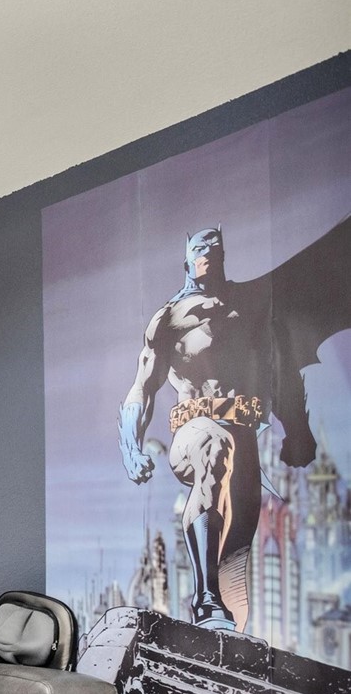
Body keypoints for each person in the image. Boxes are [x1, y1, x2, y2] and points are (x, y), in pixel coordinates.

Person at [119, 227, 318, 630]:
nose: (207, 251)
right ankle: (204, 599)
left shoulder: (249, 307)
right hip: (193, 433)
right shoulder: (170, 319)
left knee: (238, 539)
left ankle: (227, 635)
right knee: (214, 443)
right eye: (198, 247)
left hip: (242, 436)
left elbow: (279, 374)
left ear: (224, 252)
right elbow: (141, 388)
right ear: (187, 259)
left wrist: (297, 433)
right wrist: (131, 447)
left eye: (213, 245)